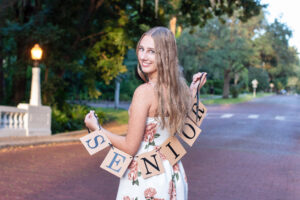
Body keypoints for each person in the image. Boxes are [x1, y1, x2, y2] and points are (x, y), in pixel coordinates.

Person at [85, 27, 207, 200]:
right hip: (173, 173)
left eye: (151, 51)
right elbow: (188, 118)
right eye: (141, 49)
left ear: (165, 56)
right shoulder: (180, 89)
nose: (143, 56)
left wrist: (97, 129)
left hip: (146, 180)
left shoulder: (144, 92)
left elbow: (130, 147)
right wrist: (195, 89)